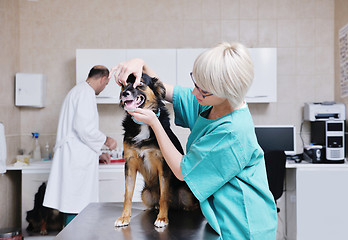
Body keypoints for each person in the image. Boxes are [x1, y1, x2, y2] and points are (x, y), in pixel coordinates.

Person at [109, 42, 277, 239]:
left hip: (244, 227)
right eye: (195, 83)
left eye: (203, 89)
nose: (195, 92)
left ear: (226, 91)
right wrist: (141, 64)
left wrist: (155, 123)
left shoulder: (231, 132)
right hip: (220, 221)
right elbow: (160, 89)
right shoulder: (211, 105)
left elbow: (182, 171)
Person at [43, 65, 117, 226]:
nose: (104, 88)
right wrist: (107, 140)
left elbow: (79, 133)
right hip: (76, 161)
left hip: (75, 157)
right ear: (103, 79)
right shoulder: (85, 93)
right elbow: (84, 129)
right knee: (76, 204)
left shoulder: (78, 91)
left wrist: (98, 154)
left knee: (74, 202)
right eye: (106, 84)